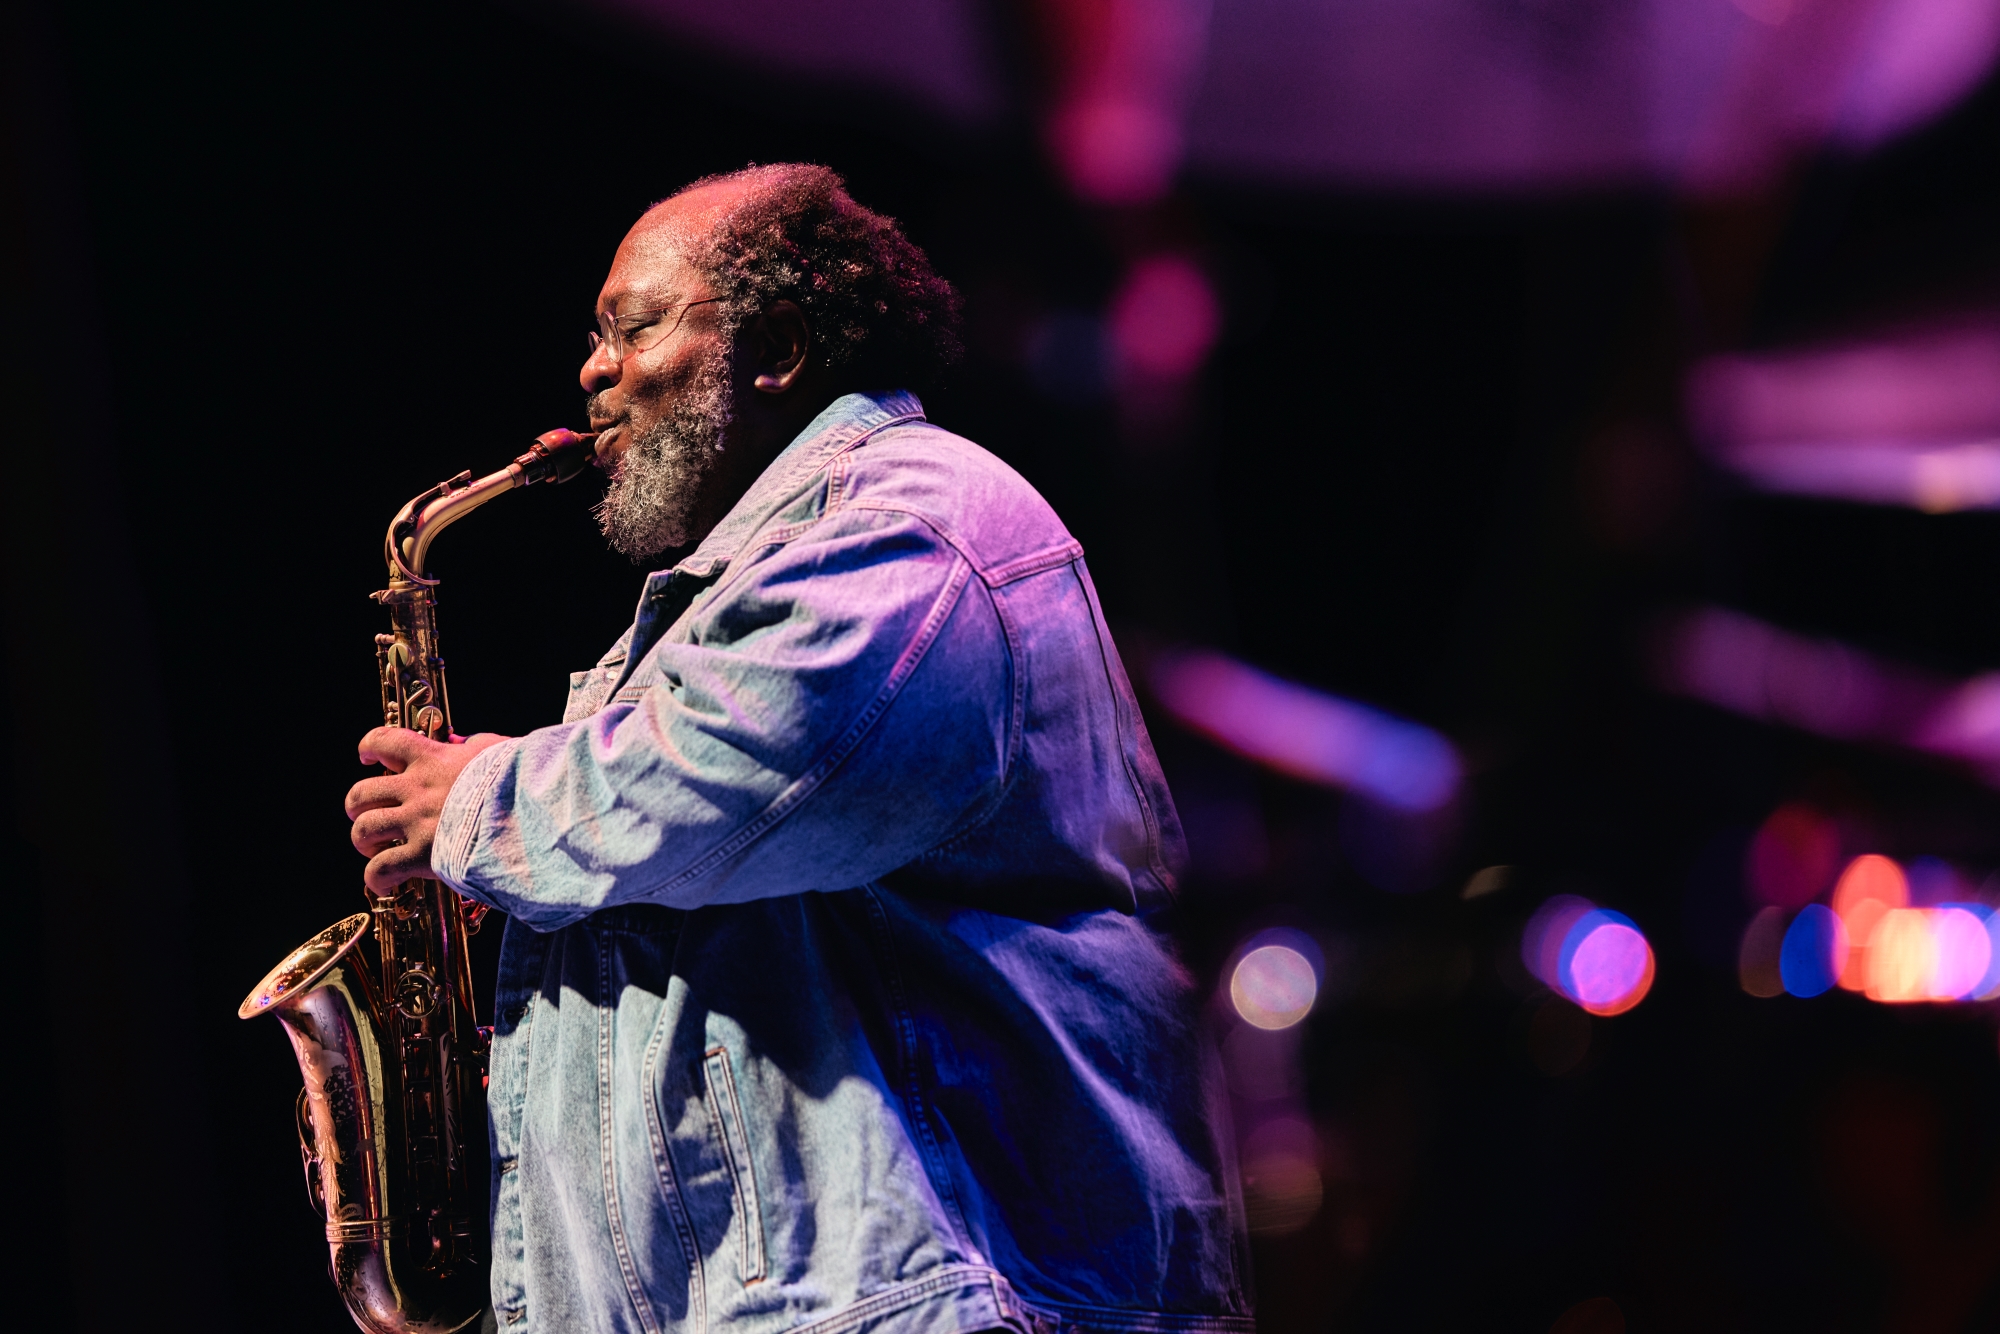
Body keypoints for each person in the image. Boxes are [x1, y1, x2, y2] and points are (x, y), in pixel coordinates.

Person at [344, 164, 1249, 1334]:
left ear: (772, 347)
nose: (593, 373)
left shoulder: (910, 518)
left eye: (634, 327)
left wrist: (481, 802)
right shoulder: (733, 593)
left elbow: (747, 765)